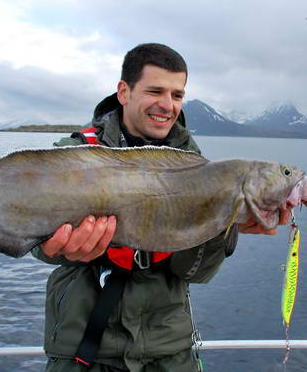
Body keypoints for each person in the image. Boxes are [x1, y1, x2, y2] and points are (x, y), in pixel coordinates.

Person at [31, 43, 292, 372]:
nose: (167, 105)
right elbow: (37, 245)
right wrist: (57, 248)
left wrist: (224, 227)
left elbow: (195, 273)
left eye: (177, 95)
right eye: (155, 91)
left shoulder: (201, 170)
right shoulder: (74, 154)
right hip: (81, 347)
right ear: (124, 91)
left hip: (169, 350)